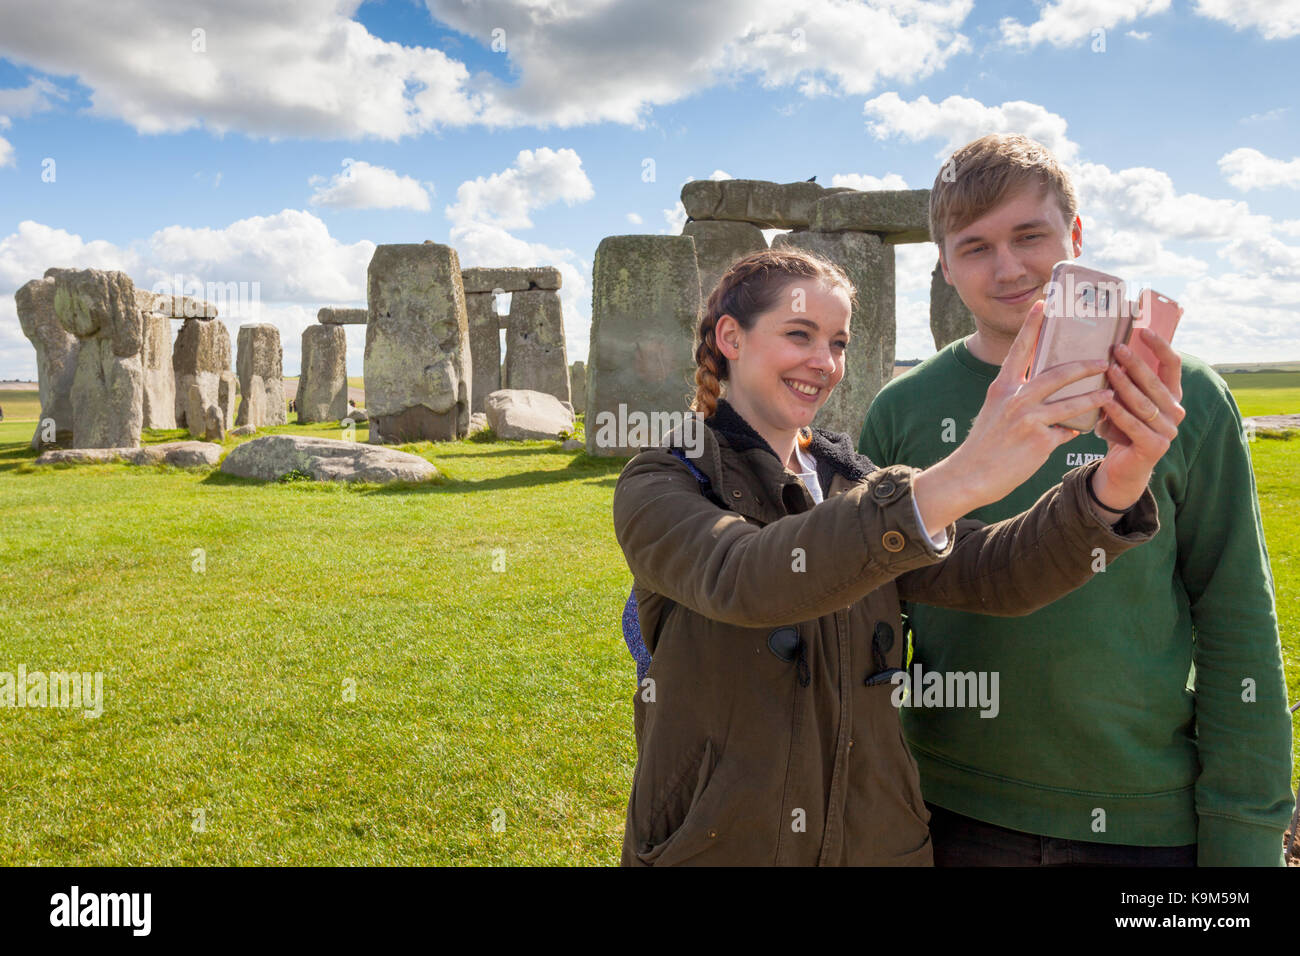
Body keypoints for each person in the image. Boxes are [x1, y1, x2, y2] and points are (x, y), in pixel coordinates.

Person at [611, 247, 1177, 866]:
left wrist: (1116, 483)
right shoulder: (662, 480)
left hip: (876, 842)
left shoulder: (854, 479)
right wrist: (955, 479)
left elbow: (993, 572)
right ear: (731, 337)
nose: (823, 363)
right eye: (799, 334)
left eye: (839, 343)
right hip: (718, 842)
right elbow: (743, 576)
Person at [859, 133, 1293, 866]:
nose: (1009, 268)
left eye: (1031, 236)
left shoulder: (1180, 395)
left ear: (1077, 236)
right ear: (944, 266)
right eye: (975, 247)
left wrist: (1246, 832)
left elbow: (1237, 617)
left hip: (1148, 821)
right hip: (948, 808)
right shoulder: (901, 409)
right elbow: (870, 624)